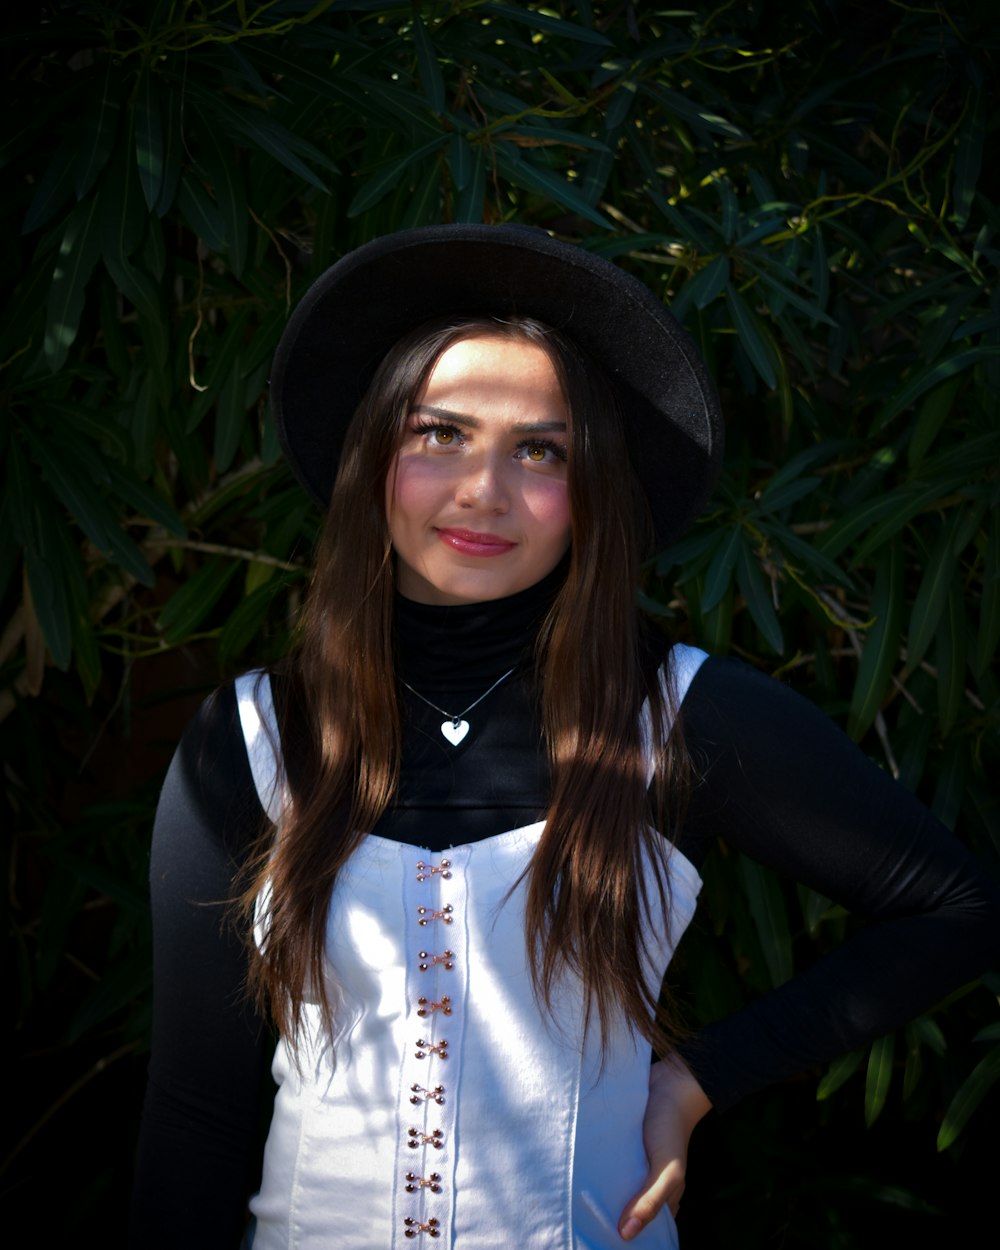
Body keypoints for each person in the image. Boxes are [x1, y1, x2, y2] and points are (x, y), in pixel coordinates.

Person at [131, 225, 1000, 1249]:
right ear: (374, 459)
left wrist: (696, 1079)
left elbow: (959, 902)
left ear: (590, 490)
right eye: (437, 433)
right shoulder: (249, 737)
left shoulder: (680, 715)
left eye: (538, 449)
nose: (481, 491)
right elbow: (198, 1108)